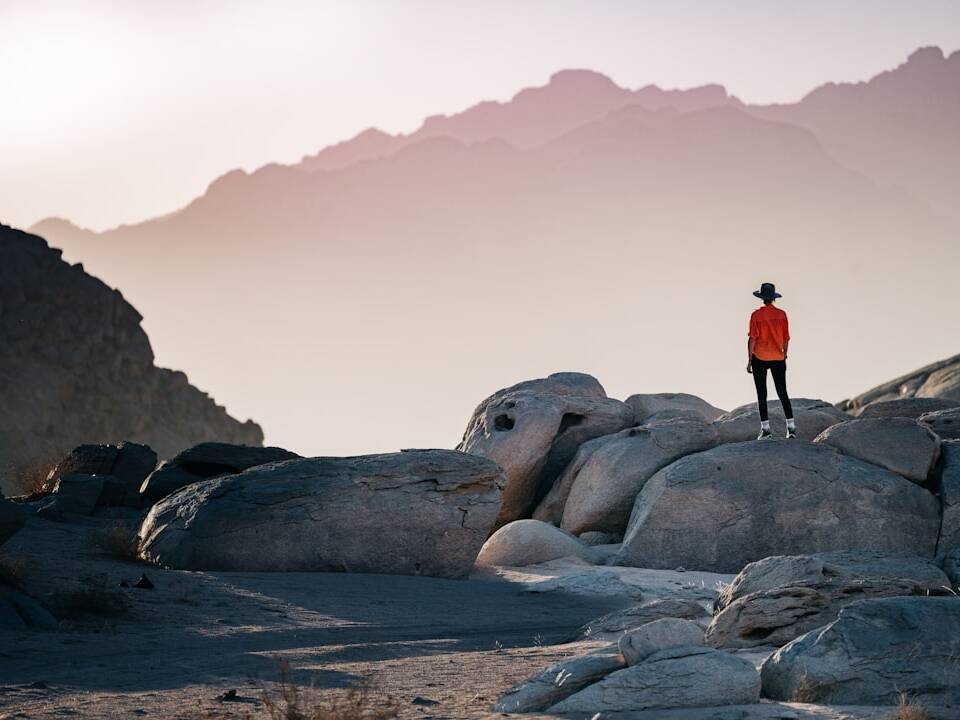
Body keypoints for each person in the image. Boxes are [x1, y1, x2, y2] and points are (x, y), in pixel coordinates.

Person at [747, 282, 795, 439]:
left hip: (760, 357)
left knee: (762, 394)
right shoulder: (782, 315)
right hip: (778, 357)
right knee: (782, 392)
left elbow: (752, 339)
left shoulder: (756, 315)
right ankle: (791, 427)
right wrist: (784, 354)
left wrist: (749, 360)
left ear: (762, 298)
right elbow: (786, 338)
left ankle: (766, 429)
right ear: (774, 298)